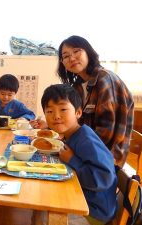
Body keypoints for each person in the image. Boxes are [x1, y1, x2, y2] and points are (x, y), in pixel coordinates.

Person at [31, 35, 134, 166]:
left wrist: (73, 153)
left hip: (103, 163)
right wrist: (51, 126)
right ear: (63, 63)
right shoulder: (78, 86)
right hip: (83, 153)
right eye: (66, 56)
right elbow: (76, 123)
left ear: (88, 52)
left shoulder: (105, 80)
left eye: (76, 51)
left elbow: (106, 134)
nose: (72, 58)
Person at [42, 84, 117, 224]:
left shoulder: (86, 139)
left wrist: (72, 160)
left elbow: (105, 178)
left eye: (63, 109)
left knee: (46, 216)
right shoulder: (72, 135)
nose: (56, 116)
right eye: (49, 111)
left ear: (78, 112)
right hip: (81, 199)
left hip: (94, 212)